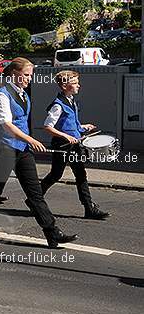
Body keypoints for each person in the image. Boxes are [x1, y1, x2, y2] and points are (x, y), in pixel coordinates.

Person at [0, 57, 78, 248]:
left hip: (22, 150)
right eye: (26, 75)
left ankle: (52, 232)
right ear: (14, 75)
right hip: (4, 148)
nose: (29, 79)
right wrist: (30, 139)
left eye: (30, 75)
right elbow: (6, 125)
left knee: (35, 192)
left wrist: (27, 142)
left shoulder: (23, 94)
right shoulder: (2, 96)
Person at [40, 70, 109, 220]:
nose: (79, 85)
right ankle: (35, 198)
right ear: (65, 86)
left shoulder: (71, 101)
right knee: (56, 174)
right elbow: (48, 126)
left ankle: (89, 208)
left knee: (81, 174)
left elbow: (70, 124)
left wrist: (82, 127)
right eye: (75, 83)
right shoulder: (58, 105)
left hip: (74, 145)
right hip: (62, 145)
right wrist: (66, 136)